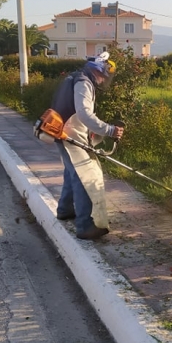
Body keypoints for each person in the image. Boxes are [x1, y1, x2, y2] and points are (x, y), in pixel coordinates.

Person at [50, 54, 123, 240]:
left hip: (62, 130)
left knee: (71, 171)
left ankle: (65, 210)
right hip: (70, 134)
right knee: (84, 177)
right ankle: (85, 226)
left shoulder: (74, 77)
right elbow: (83, 114)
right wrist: (110, 130)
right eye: (104, 76)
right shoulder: (84, 83)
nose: (104, 80)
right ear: (97, 70)